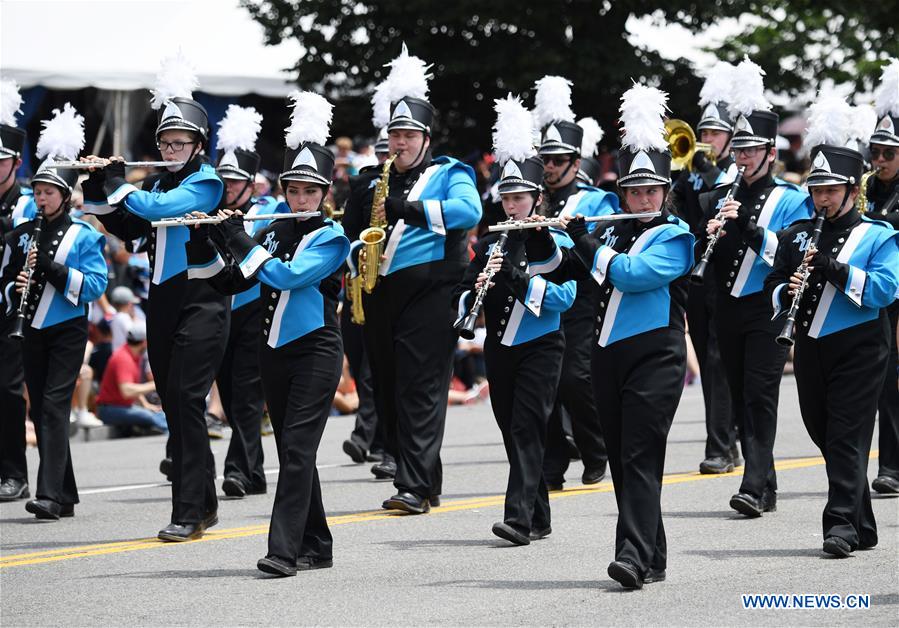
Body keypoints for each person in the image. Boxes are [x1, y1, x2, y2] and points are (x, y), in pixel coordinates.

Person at [531, 83, 694, 588]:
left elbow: (630, 275)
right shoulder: (607, 232)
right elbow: (568, 271)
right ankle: (655, 554)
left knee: (639, 457)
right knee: (626, 463)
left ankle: (631, 555)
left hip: (655, 359)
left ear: (665, 192)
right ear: (621, 192)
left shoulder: (675, 235)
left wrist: (583, 241)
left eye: (651, 190)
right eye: (633, 190)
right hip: (607, 357)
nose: (641, 199)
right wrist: (545, 235)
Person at [187, 90, 349, 577]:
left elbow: (286, 277)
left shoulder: (331, 237)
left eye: (308, 191)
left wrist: (239, 238)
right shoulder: (274, 228)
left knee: (297, 450)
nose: (299, 199)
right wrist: (208, 236)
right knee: (292, 449)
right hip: (273, 350)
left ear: (324, 194)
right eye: (293, 189)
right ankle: (318, 543)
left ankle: (283, 549)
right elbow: (229, 281)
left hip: (316, 352)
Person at [81, 53, 227, 541]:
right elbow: (127, 225)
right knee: (173, 403)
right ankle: (202, 503)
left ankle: (188, 509)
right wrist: (100, 185)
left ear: (198, 145)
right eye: (164, 142)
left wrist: (125, 184)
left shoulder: (206, 183)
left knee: (186, 399)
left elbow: (158, 208)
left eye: (178, 143)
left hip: (203, 300)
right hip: (164, 299)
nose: (168, 150)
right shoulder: (160, 179)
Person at [343, 45, 481, 514]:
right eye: (393, 134)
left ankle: (414, 485)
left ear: (425, 137)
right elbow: (350, 235)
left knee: (418, 390)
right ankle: (426, 480)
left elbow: (470, 210)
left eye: (407, 135)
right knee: (386, 388)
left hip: (431, 293)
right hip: (380, 296)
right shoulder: (372, 178)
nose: (398, 143)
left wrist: (410, 210)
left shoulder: (448, 173)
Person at [765, 126, 899, 557]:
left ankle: (839, 524)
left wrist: (834, 270)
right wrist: (785, 291)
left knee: (845, 435)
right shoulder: (798, 234)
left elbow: (885, 290)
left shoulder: (878, 236)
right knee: (823, 431)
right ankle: (863, 524)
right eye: (816, 189)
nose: (821, 198)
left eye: (830, 190)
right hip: (810, 345)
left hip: (860, 345)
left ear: (850, 190)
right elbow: (772, 281)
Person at [455, 95, 575, 545]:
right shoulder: (491, 241)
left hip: (542, 345)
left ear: (537, 197)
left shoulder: (551, 237)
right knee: (512, 430)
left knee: (526, 427)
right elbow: (466, 286)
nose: (512, 205)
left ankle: (519, 518)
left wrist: (519, 279)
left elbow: (565, 295)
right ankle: (539, 515)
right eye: (506, 197)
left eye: (520, 196)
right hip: (499, 347)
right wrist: (472, 297)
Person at [698, 58, 814, 517]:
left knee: (760, 393)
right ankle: (764, 481)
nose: (742, 158)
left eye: (750, 151)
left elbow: (786, 251)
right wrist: (711, 230)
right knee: (739, 391)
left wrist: (747, 226)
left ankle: (752, 481)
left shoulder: (791, 198)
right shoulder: (725, 192)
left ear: (770, 151)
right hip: (726, 305)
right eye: (738, 150)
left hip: (767, 306)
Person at [0, 104, 108, 520]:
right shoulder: (22, 234)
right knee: (39, 405)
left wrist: (54, 271)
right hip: (30, 328)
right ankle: (64, 494)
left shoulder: (82, 235)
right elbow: (7, 277)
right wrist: (18, 285)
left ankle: (46, 493)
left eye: (49, 192)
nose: (42, 198)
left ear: (64, 195)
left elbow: (94, 287)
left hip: (65, 328)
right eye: (38, 192)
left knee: (52, 407)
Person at [532, 76, 619, 491]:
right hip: (541, 295)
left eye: (556, 159)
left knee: (574, 379)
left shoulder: (597, 200)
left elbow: (597, 245)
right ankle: (552, 465)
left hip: (582, 296)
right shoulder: (534, 199)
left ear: (574, 160)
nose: (548, 167)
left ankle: (595, 444)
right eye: (544, 159)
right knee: (543, 383)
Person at [669, 61, 741, 474]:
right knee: (710, 354)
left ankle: (721, 444)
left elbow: (726, 207)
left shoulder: (733, 172)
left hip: (728, 275)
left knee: (718, 359)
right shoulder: (691, 173)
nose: (706, 140)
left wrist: (708, 171)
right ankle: (725, 439)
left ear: (730, 139)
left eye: (715, 134)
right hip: (697, 273)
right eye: (704, 134)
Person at [211, 105, 283, 499]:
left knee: (246, 391)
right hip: (222, 308)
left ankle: (238, 469)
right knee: (232, 391)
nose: (226, 187)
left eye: (234, 181)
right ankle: (253, 471)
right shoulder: (211, 211)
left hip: (255, 309)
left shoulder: (268, 211)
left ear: (251, 186)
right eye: (222, 180)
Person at [0, 78, 36, 502]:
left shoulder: (28, 202)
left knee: (8, 390)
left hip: (14, 303)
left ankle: (15, 471)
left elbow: (30, 238)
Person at [865, 58, 899, 495]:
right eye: (874, 151)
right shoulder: (867, 188)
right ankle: (890, 464)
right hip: (881, 292)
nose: (879, 159)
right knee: (885, 379)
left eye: (889, 152)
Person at [96, 320, 167, 433]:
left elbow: (132, 386)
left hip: (118, 407)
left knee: (156, 413)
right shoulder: (124, 358)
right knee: (149, 416)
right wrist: (155, 384)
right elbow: (127, 391)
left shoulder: (132, 354)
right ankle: (176, 434)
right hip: (109, 409)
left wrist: (145, 404)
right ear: (144, 342)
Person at [108, 285, 141, 350]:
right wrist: (134, 318)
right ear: (129, 304)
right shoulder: (123, 317)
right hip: (126, 355)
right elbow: (136, 335)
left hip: (118, 353)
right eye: (132, 304)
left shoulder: (115, 316)